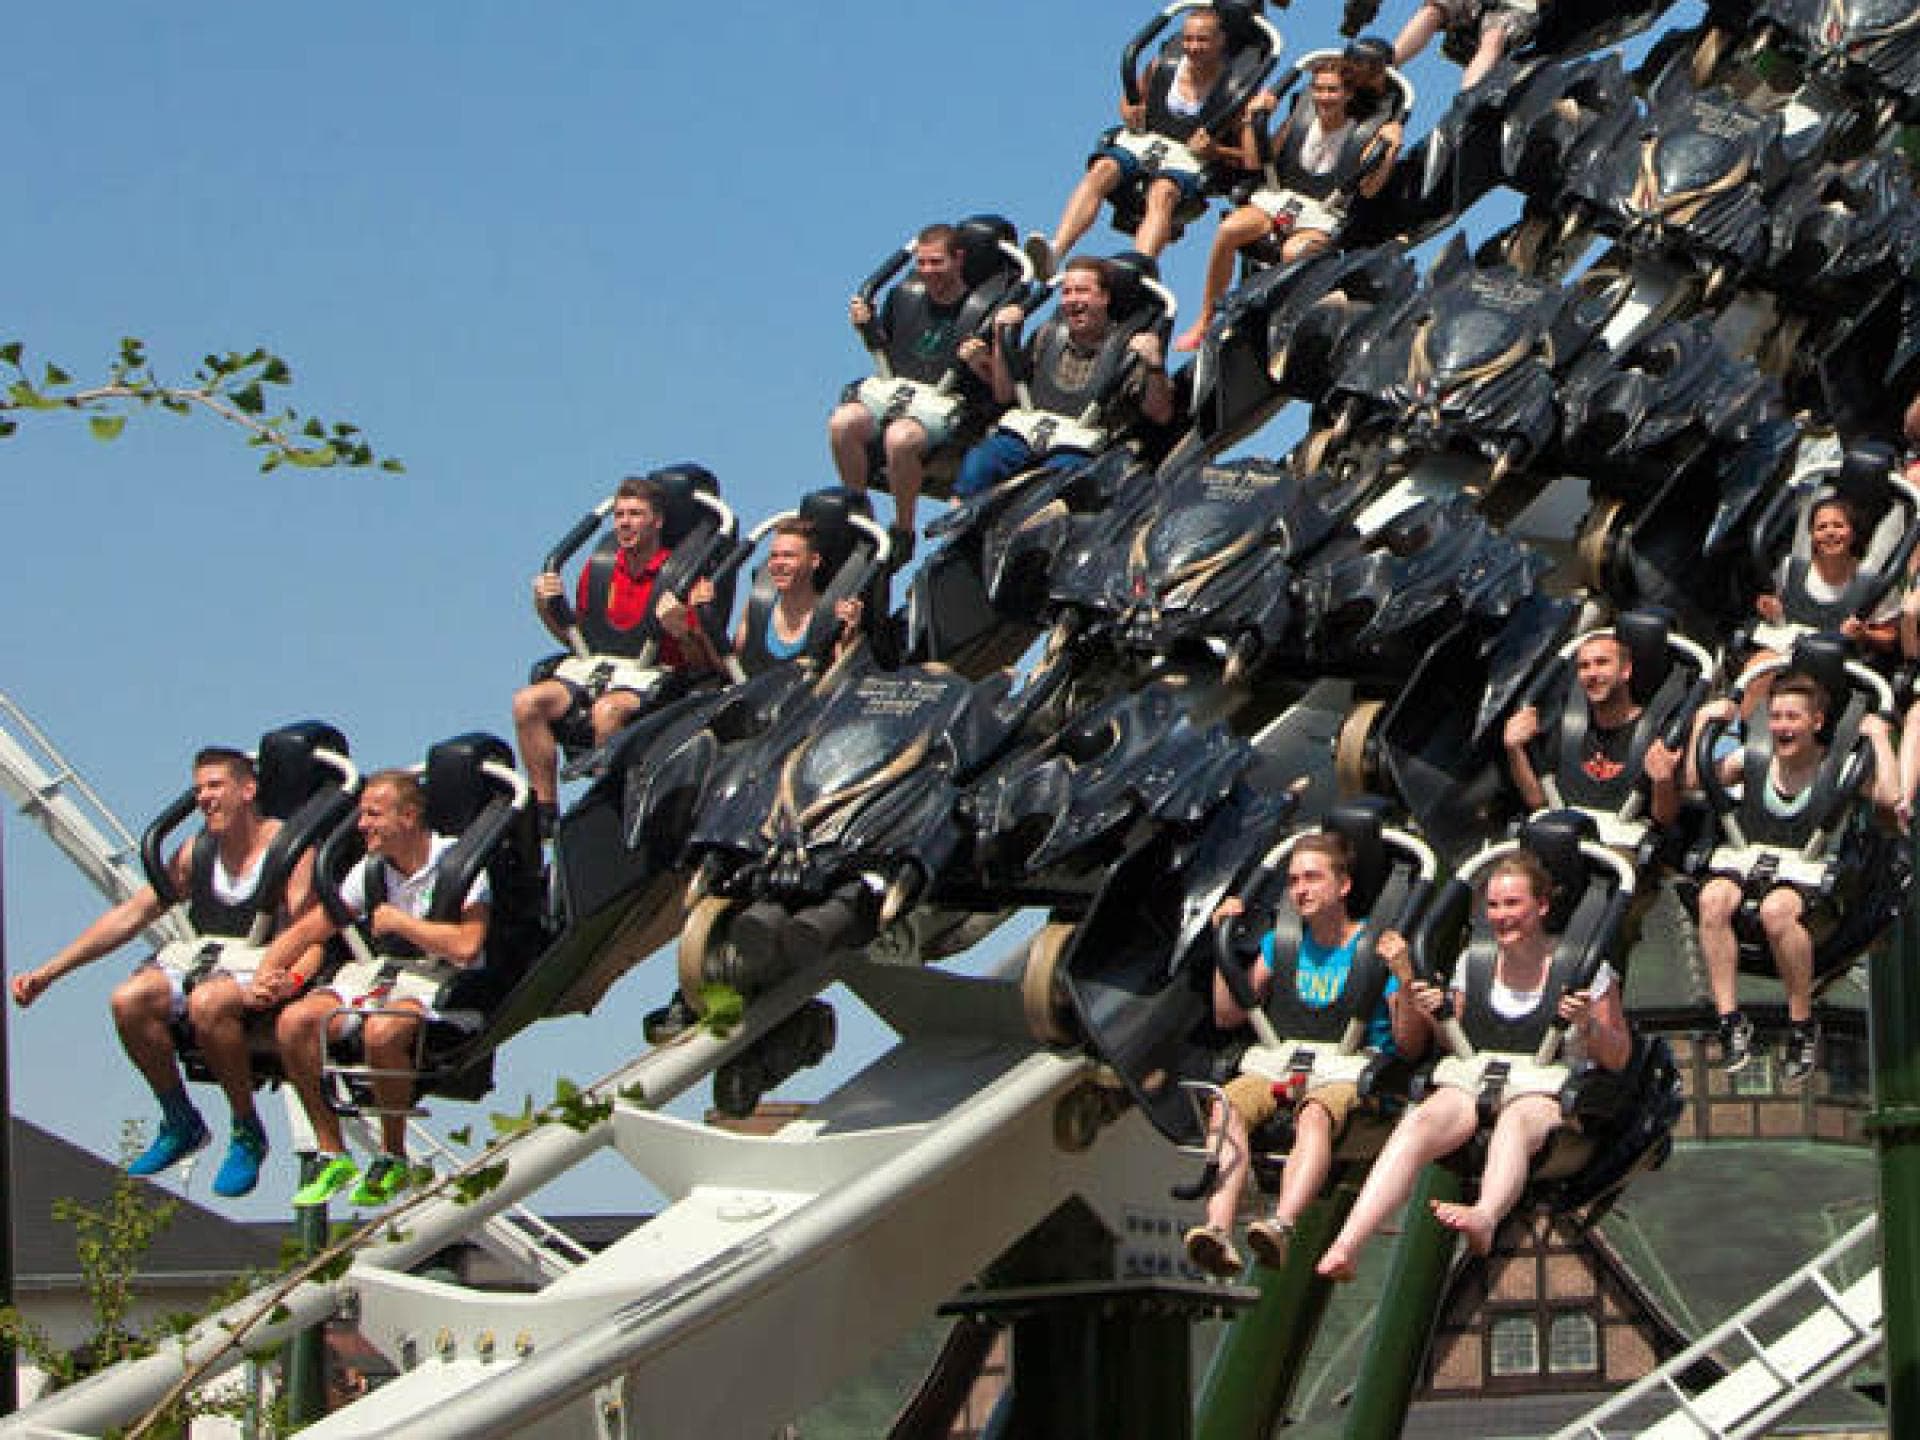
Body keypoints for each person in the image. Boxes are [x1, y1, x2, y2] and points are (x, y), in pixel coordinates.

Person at [1316, 852, 1632, 1278]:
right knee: (1419, 1121)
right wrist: (1428, 1006)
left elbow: (1619, 1055)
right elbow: (1454, 1041)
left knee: (1514, 1122)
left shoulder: (1586, 970)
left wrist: (1586, 1025)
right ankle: (1347, 1243)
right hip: (1479, 1079)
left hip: (1546, 1090)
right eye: (1494, 906)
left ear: (1541, 906)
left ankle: (1484, 1214)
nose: (1501, 916)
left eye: (1512, 905)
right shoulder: (1474, 963)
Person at [10, 748, 303, 1198]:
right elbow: (131, 916)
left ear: (247, 790)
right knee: (128, 999)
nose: (204, 798)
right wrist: (50, 972)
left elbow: (315, 929)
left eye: (215, 786)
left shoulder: (289, 849)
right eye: (199, 788)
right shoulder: (196, 852)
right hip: (210, 963)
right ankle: (179, 1118)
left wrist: (289, 978)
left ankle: (246, 1128)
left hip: (264, 966)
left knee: (209, 1002)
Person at [1182, 835, 1429, 1277]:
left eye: (1313, 878)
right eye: (1294, 880)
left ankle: (1281, 1223)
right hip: (1283, 1059)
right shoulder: (1282, 944)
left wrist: (1406, 979)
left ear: (1344, 885)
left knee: (1314, 1114)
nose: (1301, 889)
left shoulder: (1375, 949)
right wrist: (1224, 950)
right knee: (1225, 1106)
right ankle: (1217, 1230)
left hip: (1351, 1068)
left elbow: (1409, 1045)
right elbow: (1227, 1016)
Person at [253, 770, 491, 1209]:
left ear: (409, 817)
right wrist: (268, 969)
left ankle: (392, 1153)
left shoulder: (459, 865)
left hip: (439, 978)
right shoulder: (372, 871)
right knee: (294, 1022)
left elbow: (468, 944)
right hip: (382, 973)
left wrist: (402, 924)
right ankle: (332, 1151)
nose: (362, 825)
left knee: (381, 1031)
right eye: (362, 814)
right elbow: (314, 925)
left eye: (373, 815)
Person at [1690, 673, 1897, 1086]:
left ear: (1816, 722)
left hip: (1810, 868)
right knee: (1712, 899)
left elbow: (1891, 800)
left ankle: (1801, 1022)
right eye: (1777, 717)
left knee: (1776, 911)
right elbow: (1694, 783)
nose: (1783, 726)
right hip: (1750, 856)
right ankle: (1729, 1020)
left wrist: (1878, 738)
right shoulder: (1753, 759)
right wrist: (1703, 721)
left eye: (1793, 718)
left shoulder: (1839, 769)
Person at [1174, 50, 1402, 352]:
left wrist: (1390, 150)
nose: (1324, 97)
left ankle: (1279, 327)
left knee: (1294, 251)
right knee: (1230, 229)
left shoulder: (1367, 131)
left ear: (1348, 94)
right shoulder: (1302, 116)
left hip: (1324, 212)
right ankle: (1205, 319)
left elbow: (1370, 189)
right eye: (1318, 89)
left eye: (1332, 90)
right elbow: (1257, 161)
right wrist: (1252, 119)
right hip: (1280, 199)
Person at [511, 475, 696, 824]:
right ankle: (545, 811)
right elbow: (575, 640)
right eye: (620, 515)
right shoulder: (600, 570)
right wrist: (546, 608)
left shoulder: (681, 576)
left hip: (653, 677)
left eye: (635, 514)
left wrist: (682, 629)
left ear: (657, 521)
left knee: (607, 712)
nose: (625, 523)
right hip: (597, 668)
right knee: (526, 703)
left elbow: (702, 659)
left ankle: (604, 808)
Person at [1039, 6, 1258, 267]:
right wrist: (1129, 110)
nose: (1193, 47)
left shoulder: (1238, 92)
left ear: (1220, 41)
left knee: (1162, 192)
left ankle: (1138, 268)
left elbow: (1251, 161)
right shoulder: (1163, 66)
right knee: (1102, 170)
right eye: (1188, 39)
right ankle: (1056, 250)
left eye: (1202, 40)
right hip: (1147, 141)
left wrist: (1215, 151)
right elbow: (1130, 101)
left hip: (1188, 159)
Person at [827, 225, 997, 550]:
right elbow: (887, 352)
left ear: (958, 259)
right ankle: (858, 510)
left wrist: (980, 361)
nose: (927, 272)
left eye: (936, 263)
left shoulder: (982, 311)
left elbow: (998, 387)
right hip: (898, 393)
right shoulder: (904, 296)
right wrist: (867, 328)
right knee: (842, 421)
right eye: (921, 263)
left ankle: (903, 529)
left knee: (900, 437)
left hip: (946, 406)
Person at [952, 257, 1175, 499]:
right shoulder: (1047, 335)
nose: (1073, 300)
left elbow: (1160, 413)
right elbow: (1005, 393)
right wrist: (999, 337)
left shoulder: (1129, 350)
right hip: (1027, 432)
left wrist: (1154, 365)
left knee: (1056, 487)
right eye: (1067, 292)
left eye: (1083, 291)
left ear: (1104, 297)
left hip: (1080, 445)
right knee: (977, 465)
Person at [1502, 630, 1681, 825]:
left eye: (1602, 662)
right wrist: (1514, 749)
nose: (1592, 674)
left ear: (1626, 670)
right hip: (1565, 834)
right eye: (1584, 666)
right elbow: (1539, 802)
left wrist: (1663, 781)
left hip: (1623, 841)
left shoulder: (1657, 732)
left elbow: (1666, 818)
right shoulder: (1568, 728)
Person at [1391, 0, 1542, 91]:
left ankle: (1466, 101)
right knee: (1434, 10)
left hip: (1519, 7)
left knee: (1495, 38)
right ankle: (1388, 64)